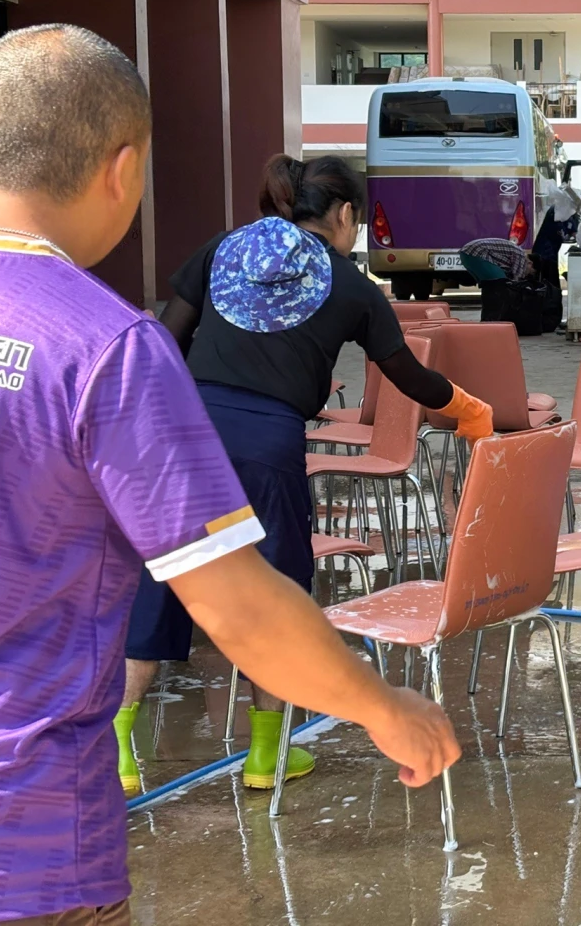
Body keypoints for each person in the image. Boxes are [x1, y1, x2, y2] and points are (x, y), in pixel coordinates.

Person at [0, 24, 459, 926]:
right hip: (11, 850)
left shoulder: (184, 290)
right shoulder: (103, 347)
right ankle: (265, 750)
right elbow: (240, 606)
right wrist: (379, 703)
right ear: (124, 168)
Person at [123, 154, 494, 792]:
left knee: (160, 585)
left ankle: (117, 754)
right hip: (269, 445)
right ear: (345, 213)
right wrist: (466, 408)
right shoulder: (349, 285)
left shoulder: (224, 248)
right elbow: (406, 375)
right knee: (278, 596)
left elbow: (165, 338)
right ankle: (266, 758)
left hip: (186, 438)